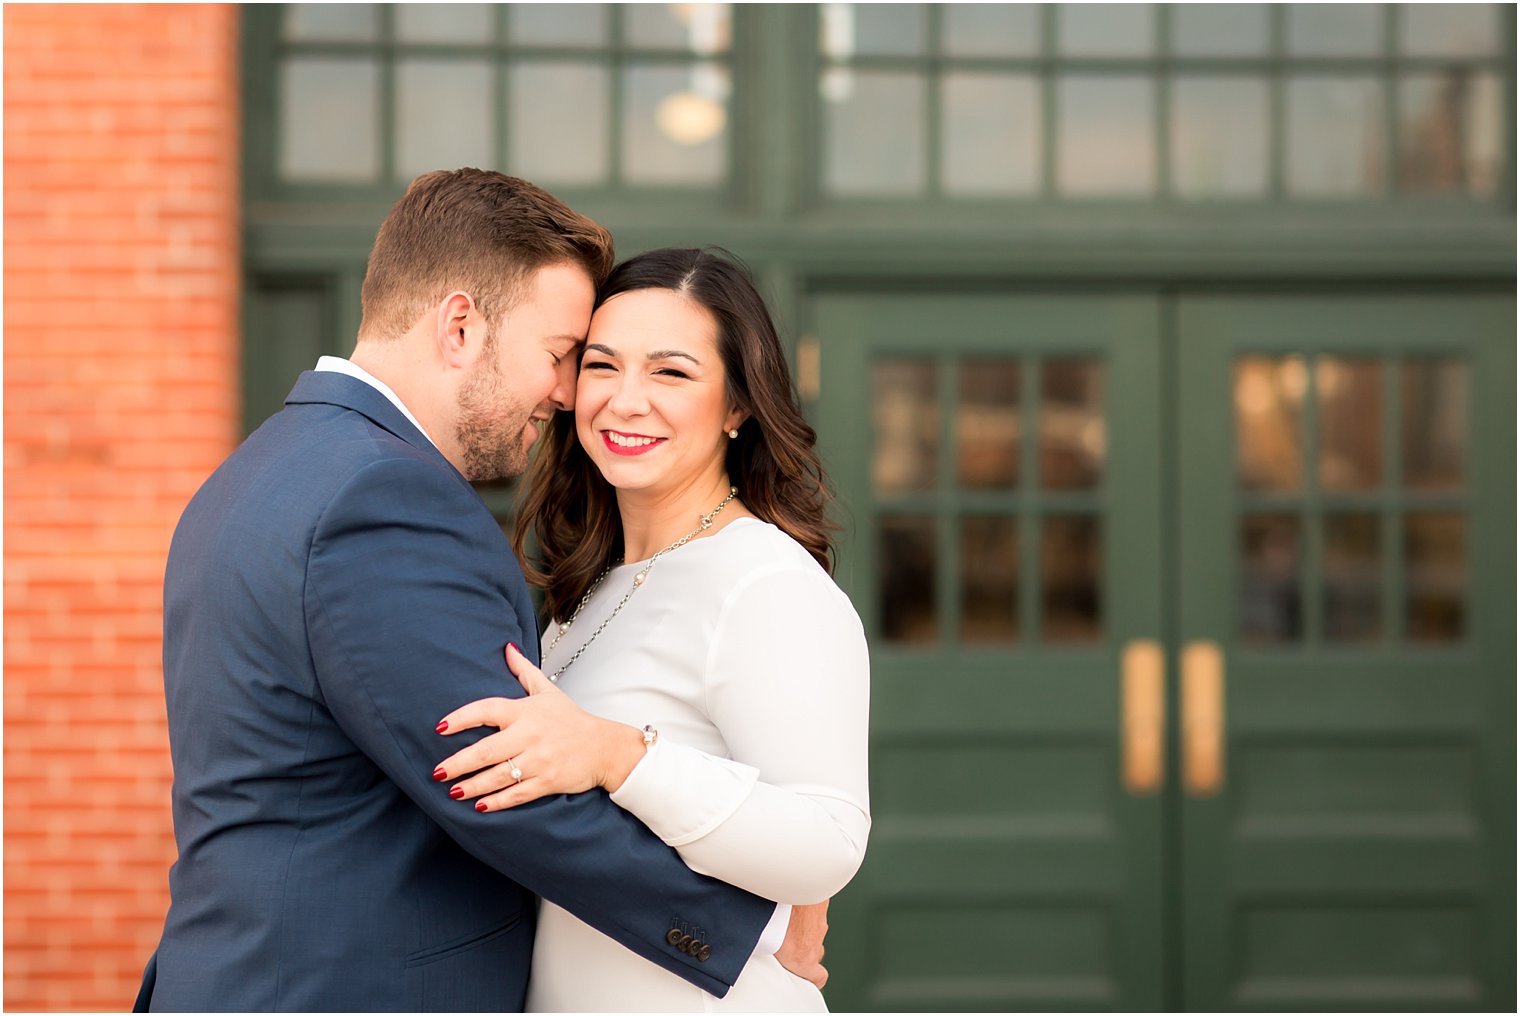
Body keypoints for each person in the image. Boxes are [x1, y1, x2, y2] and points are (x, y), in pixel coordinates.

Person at [135, 171, 821, 1012]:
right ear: (460, 325)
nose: (571, 395)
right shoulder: (383, 496)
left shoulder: (261, 469)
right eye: (564, 354)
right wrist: (753, 924)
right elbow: (493, 779)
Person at [430, 248, 872, 1011]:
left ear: (737, 406)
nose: (626, 401)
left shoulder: (765, 581)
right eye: (602, 366)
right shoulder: (588, 585)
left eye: (670, 373)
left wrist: (617, 754)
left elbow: (828, 840)